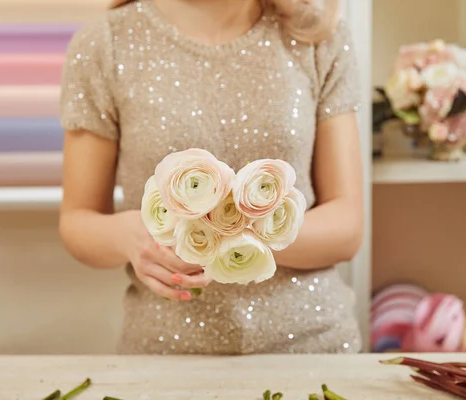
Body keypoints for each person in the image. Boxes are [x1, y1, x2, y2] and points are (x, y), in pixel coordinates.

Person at [59, 0, 364, 355]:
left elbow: (347, 225)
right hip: (165, 356)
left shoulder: (316, 35)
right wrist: (129, 236)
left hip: (314, 350)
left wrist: (231, 233)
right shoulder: (105, 43)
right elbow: (77, 221)